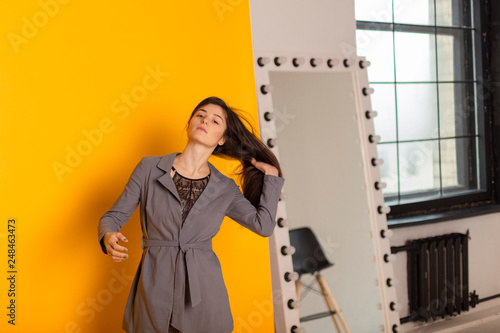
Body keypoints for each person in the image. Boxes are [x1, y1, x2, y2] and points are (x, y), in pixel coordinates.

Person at [97, 96, 284, 333]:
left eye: (216, 121)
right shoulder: (149, 168)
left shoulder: (225, 188)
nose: (206, 120)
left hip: (204, 291)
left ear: (222, 139)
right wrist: (109, 235)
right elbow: (113, 216)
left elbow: (264, 226)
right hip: (155, 284)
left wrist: (272, 177)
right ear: (189, 124)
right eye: (200, 115)